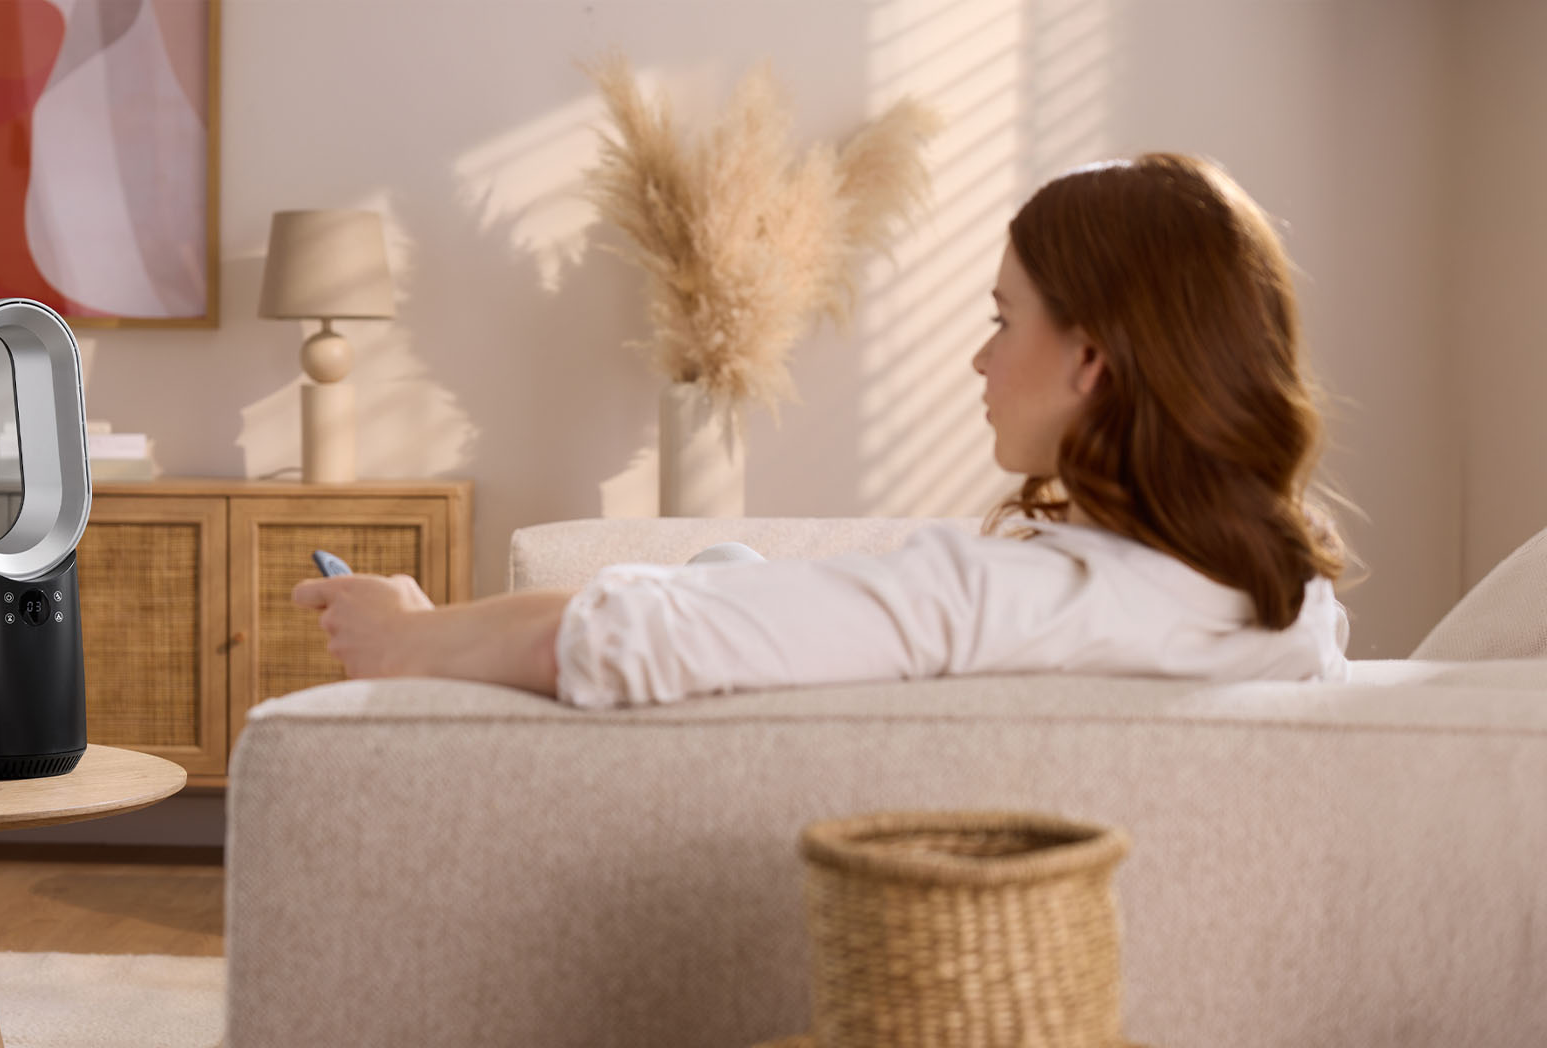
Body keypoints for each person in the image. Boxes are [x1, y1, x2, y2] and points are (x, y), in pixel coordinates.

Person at [293, 153, 1355, 708]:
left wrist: (409, 637)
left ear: (1092, 360)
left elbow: (620, 637)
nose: (981, 359)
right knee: (723, 569)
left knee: (702, 581)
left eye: (1003, 320)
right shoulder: (1294, 613)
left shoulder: (996, 598)